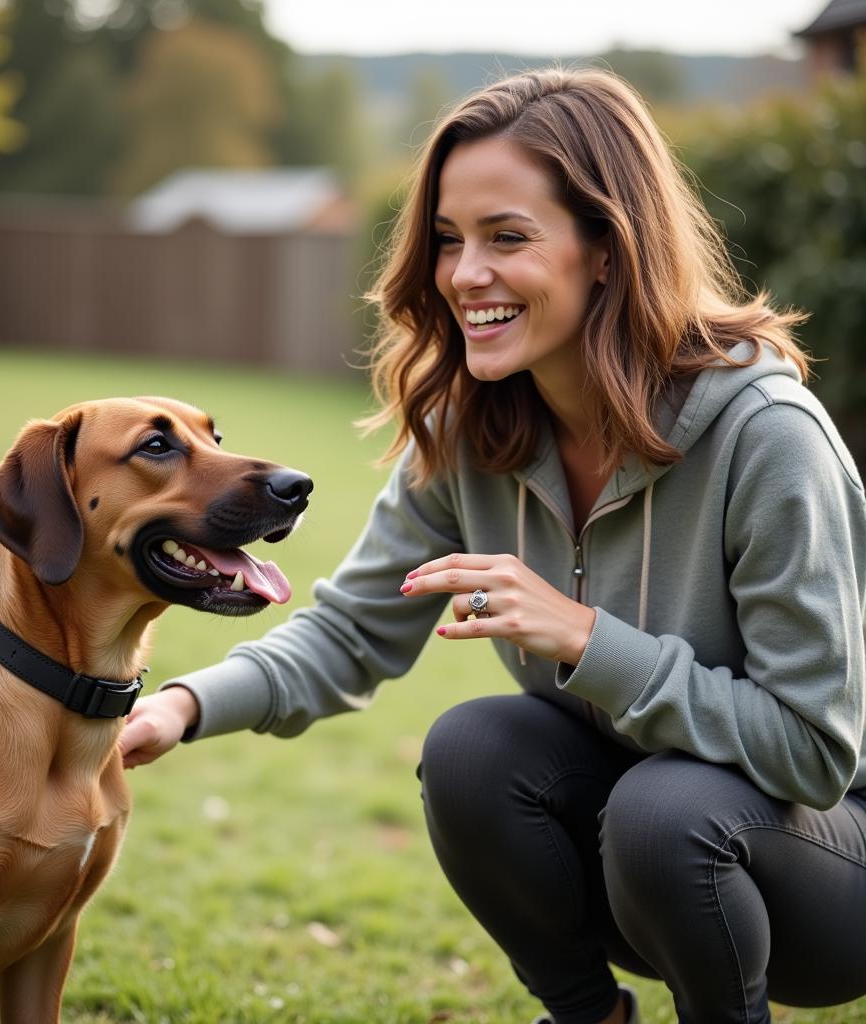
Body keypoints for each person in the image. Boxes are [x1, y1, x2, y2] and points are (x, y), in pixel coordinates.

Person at [119, 66, 866, 1024]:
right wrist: (182, 705)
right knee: (474, 749)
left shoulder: (766, 436)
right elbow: (351, 632)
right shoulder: (473, 430)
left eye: (507, 237)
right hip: (643, 852)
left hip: (821, 870)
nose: (465, 274)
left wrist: (591, 640)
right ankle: (588, 1016)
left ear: (606, 249)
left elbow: (813, 749)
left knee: (665, 812)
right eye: (447, 240)